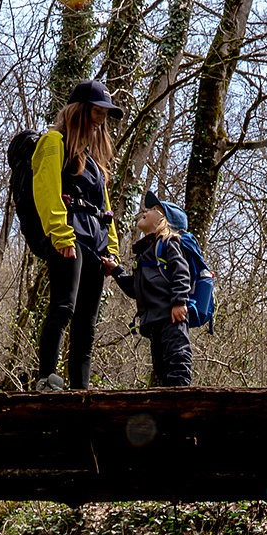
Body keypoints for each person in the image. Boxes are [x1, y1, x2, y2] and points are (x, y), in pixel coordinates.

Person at [33, 79, 122, 391]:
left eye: (105, 113)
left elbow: (105, 210)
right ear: (80, 109)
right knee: (63, 306)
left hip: (95, 247)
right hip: (69, 238)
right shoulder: (54, 142)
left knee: (87, 322)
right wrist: (61, 234)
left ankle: (80, 391)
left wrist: (112, 252)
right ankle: (46, 378)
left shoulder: (95, 162)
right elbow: (46, 190)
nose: (102, 118)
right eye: (98, 110)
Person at [103, 190, 193, 387]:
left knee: (178, 362)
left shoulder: (169, 242)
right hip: (153, 323)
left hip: (172, 318)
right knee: (161, 369)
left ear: (164, 221)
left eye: (153, 209)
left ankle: (183, 402)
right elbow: (135, 289)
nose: (145, 210)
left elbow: (181, 273)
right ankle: (168, 406)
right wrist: (117, 270)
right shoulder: (145, 253)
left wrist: (179, 302)